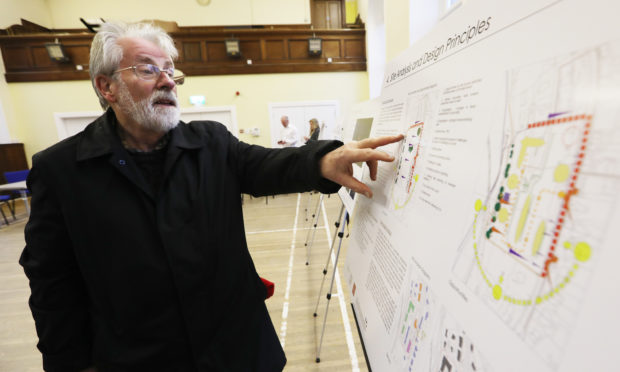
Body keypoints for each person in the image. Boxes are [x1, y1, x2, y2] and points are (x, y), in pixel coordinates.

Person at [19, 21, 402, 372]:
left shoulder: (211, 142)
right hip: (139, 359)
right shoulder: (61, 171)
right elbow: (53, 288)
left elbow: (266, 165)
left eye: (170, 70)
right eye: (148, 69)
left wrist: (323, 159)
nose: (167, 80)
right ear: (107, 87)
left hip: (237, 353)